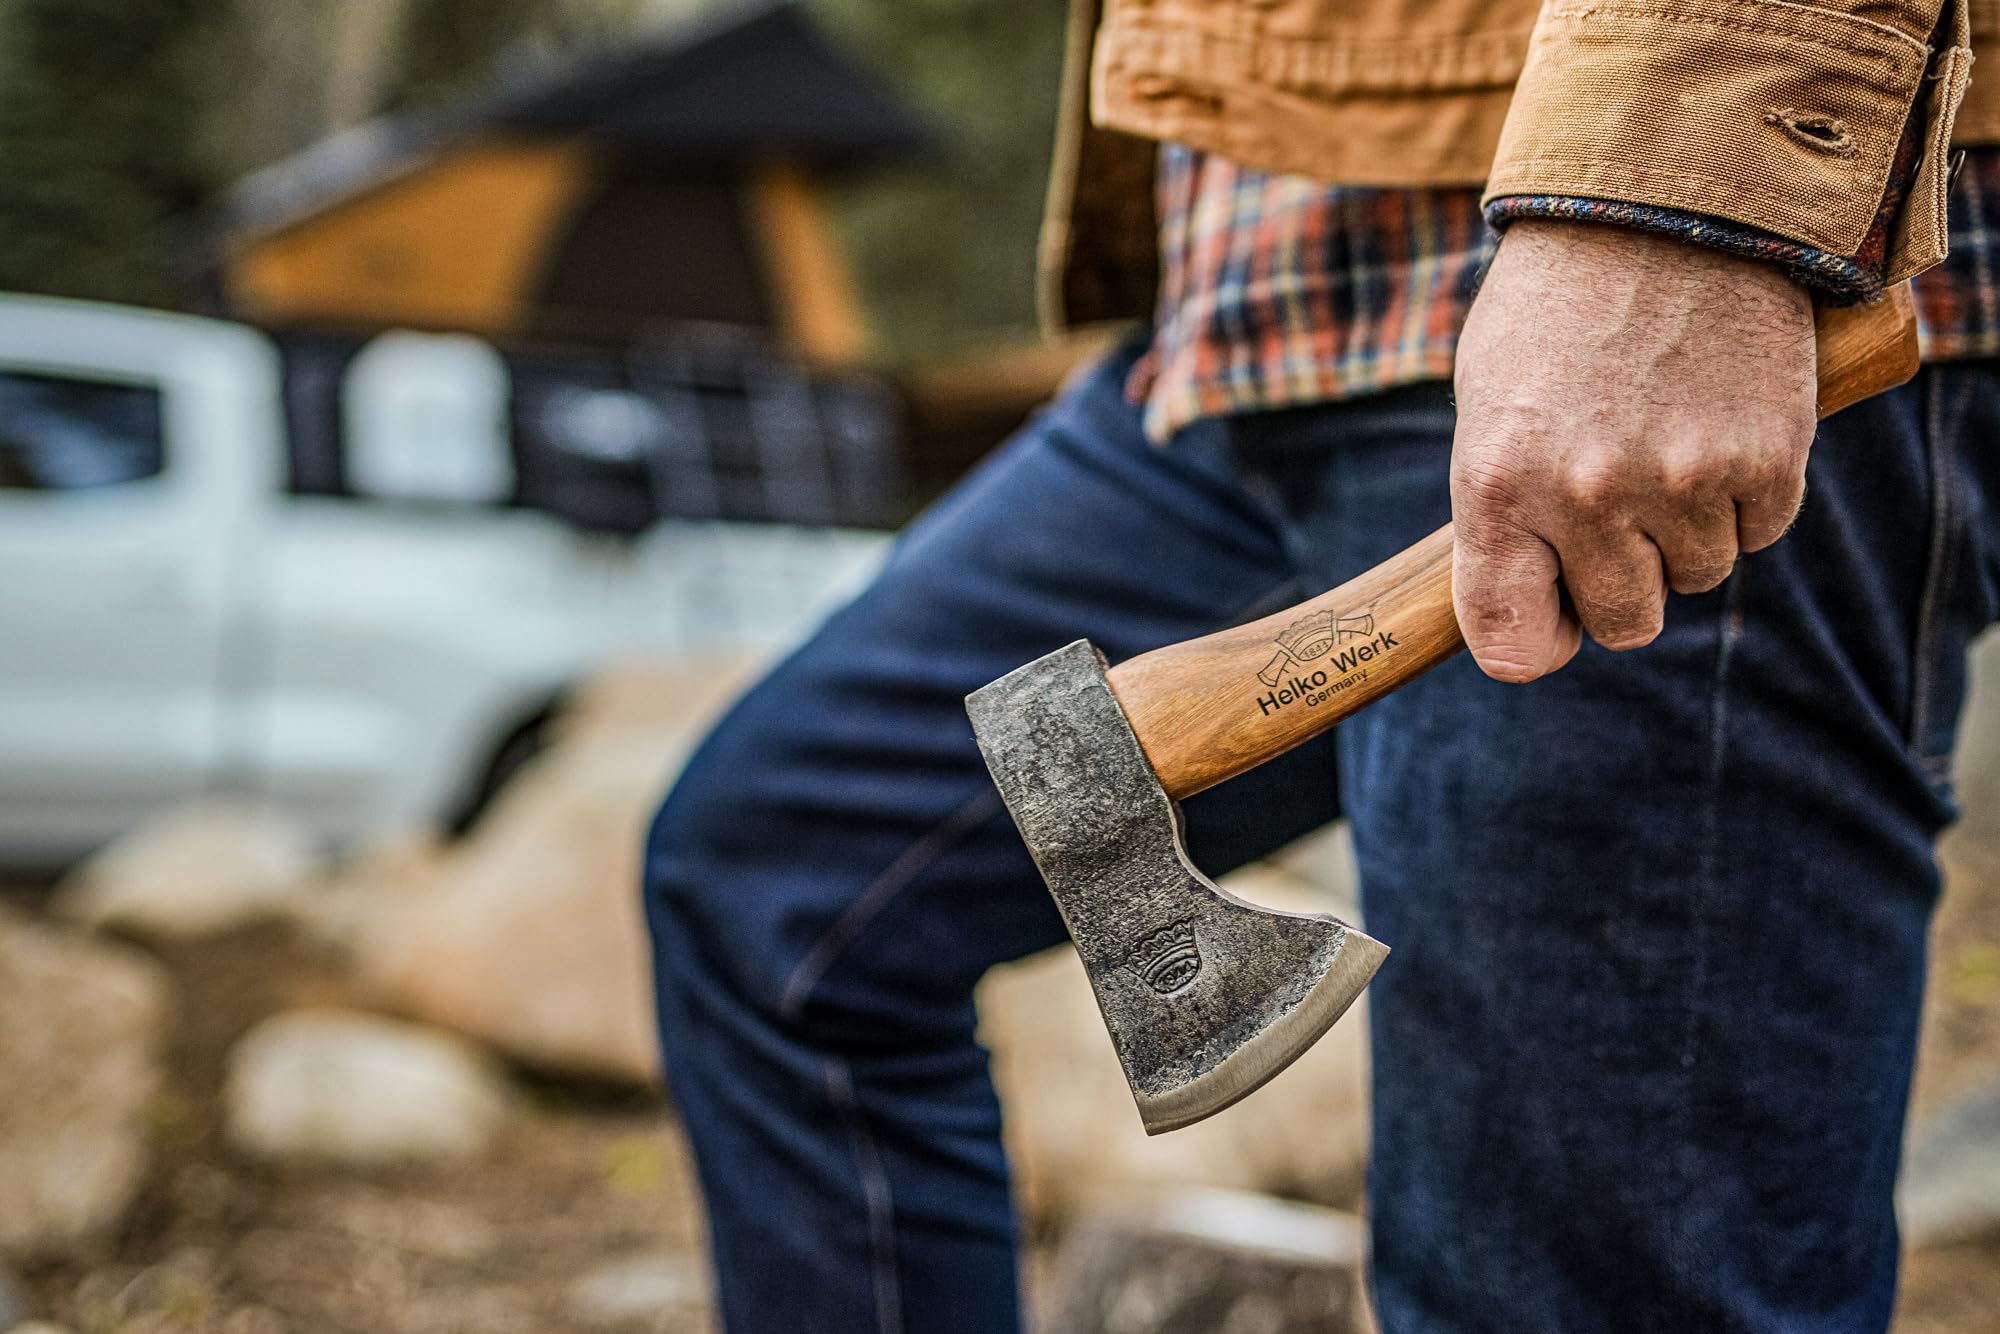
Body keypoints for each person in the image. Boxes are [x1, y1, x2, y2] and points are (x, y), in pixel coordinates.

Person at [644, 0, 2000, 1327]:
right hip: (1264, 300)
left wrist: (1686, 184)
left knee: (1567, 1290)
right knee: (784, 897)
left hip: (1623, 286)